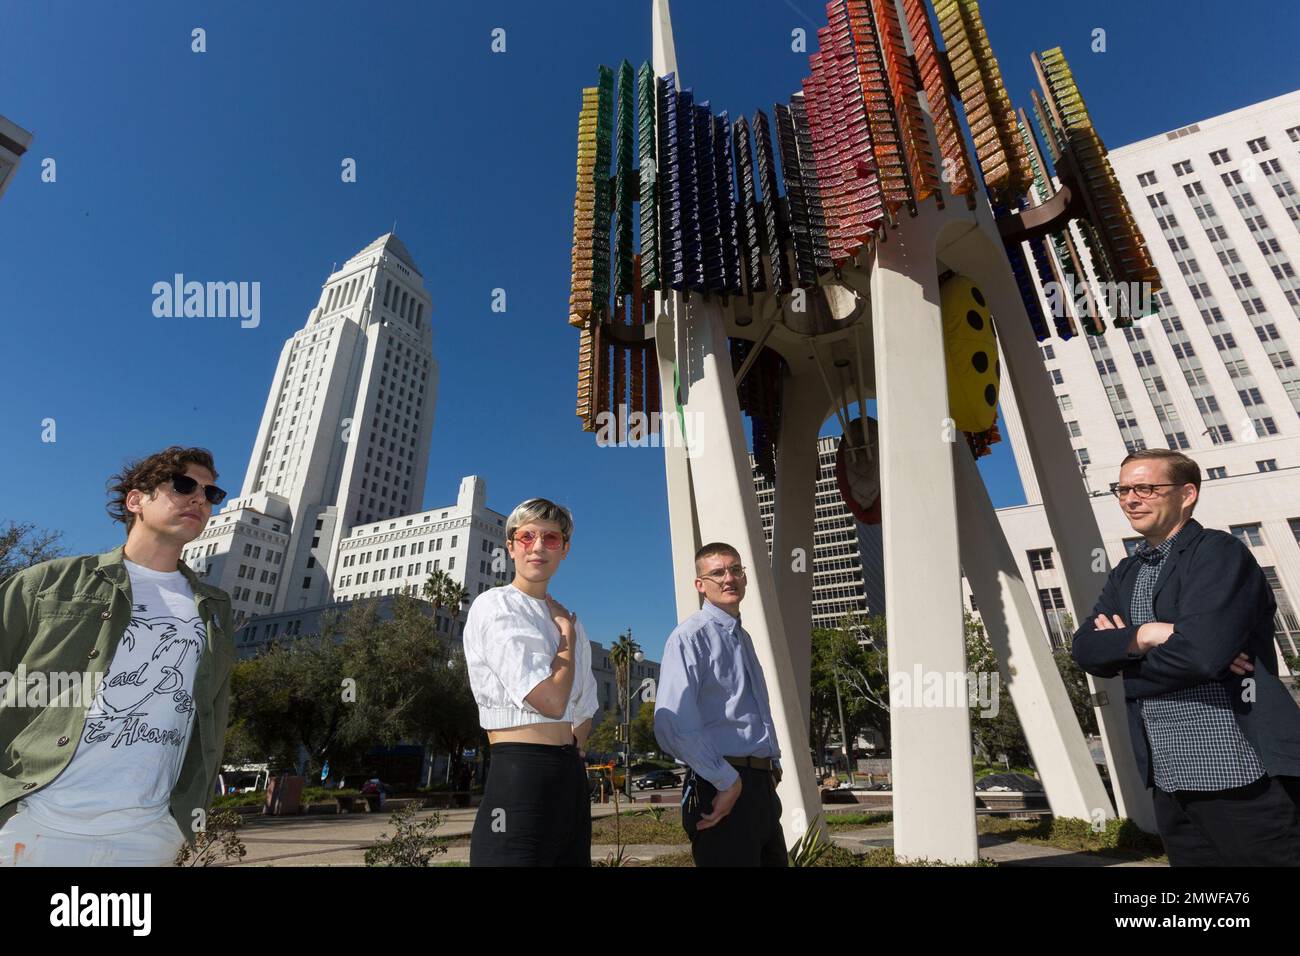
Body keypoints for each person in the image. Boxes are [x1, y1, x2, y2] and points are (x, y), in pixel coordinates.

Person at [0, 446, 235, 866]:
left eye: (210, 493)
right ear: (135, 500)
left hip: (150, 836)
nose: (199, 498)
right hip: (30, 823)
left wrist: (179, 823)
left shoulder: (215, 609)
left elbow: (211, 716)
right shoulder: (46, 584)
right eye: (183, 485)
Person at [1072, 448, 1300, 865]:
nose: (1130, 499)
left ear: (1187, 493)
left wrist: (1126, 659)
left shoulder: (1219, 552)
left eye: (1145, 488)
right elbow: (1085, 649)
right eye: (1122, 490)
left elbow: (1201, 655)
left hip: (1240, 771)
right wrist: (1150, 633)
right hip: (1168, 777)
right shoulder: (1126, 571)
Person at [463, 498, 598, 866]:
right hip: (520, 774)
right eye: (527, 537)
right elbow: (552, 699)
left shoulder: (569, 618)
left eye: (551, 539)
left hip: (569, 776)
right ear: (511, 545)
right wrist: (565, 638)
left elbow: (584, 706)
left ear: (565, 549)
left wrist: (572, 755)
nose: (538, 547)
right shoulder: (496, 606)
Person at [654, 542, 787, 867]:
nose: (729, 578)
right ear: (700, 585)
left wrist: (772, 767)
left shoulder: (743, 638)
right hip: (720, 783)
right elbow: (672, 724)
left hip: (760, 788)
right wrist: (727, 782)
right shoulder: (690, 637)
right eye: (717, 572)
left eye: (735, 569)